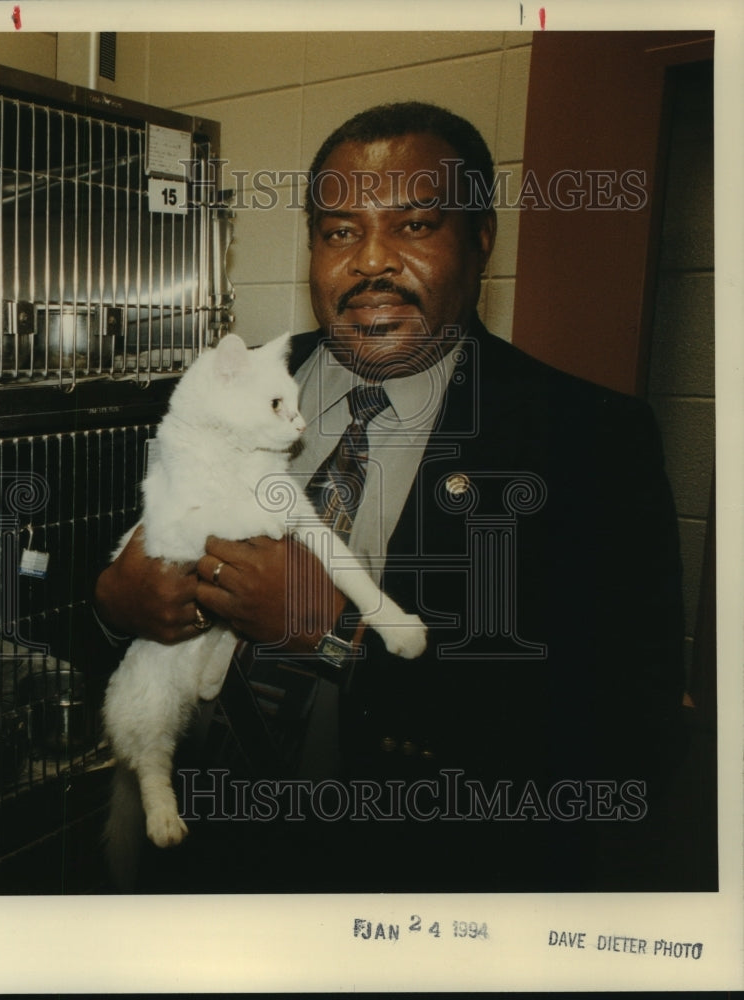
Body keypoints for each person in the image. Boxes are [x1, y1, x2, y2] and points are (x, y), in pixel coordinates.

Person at [94, 102, 687, 892]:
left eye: (414, 226)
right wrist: (111, 603)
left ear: (482, 241)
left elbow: (629, 735)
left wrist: (341, 637)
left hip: (404, 879)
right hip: (189, 858)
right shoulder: (222, 391)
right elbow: (99, 602)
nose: (371, 262)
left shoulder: (590, 438)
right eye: (340, 231)